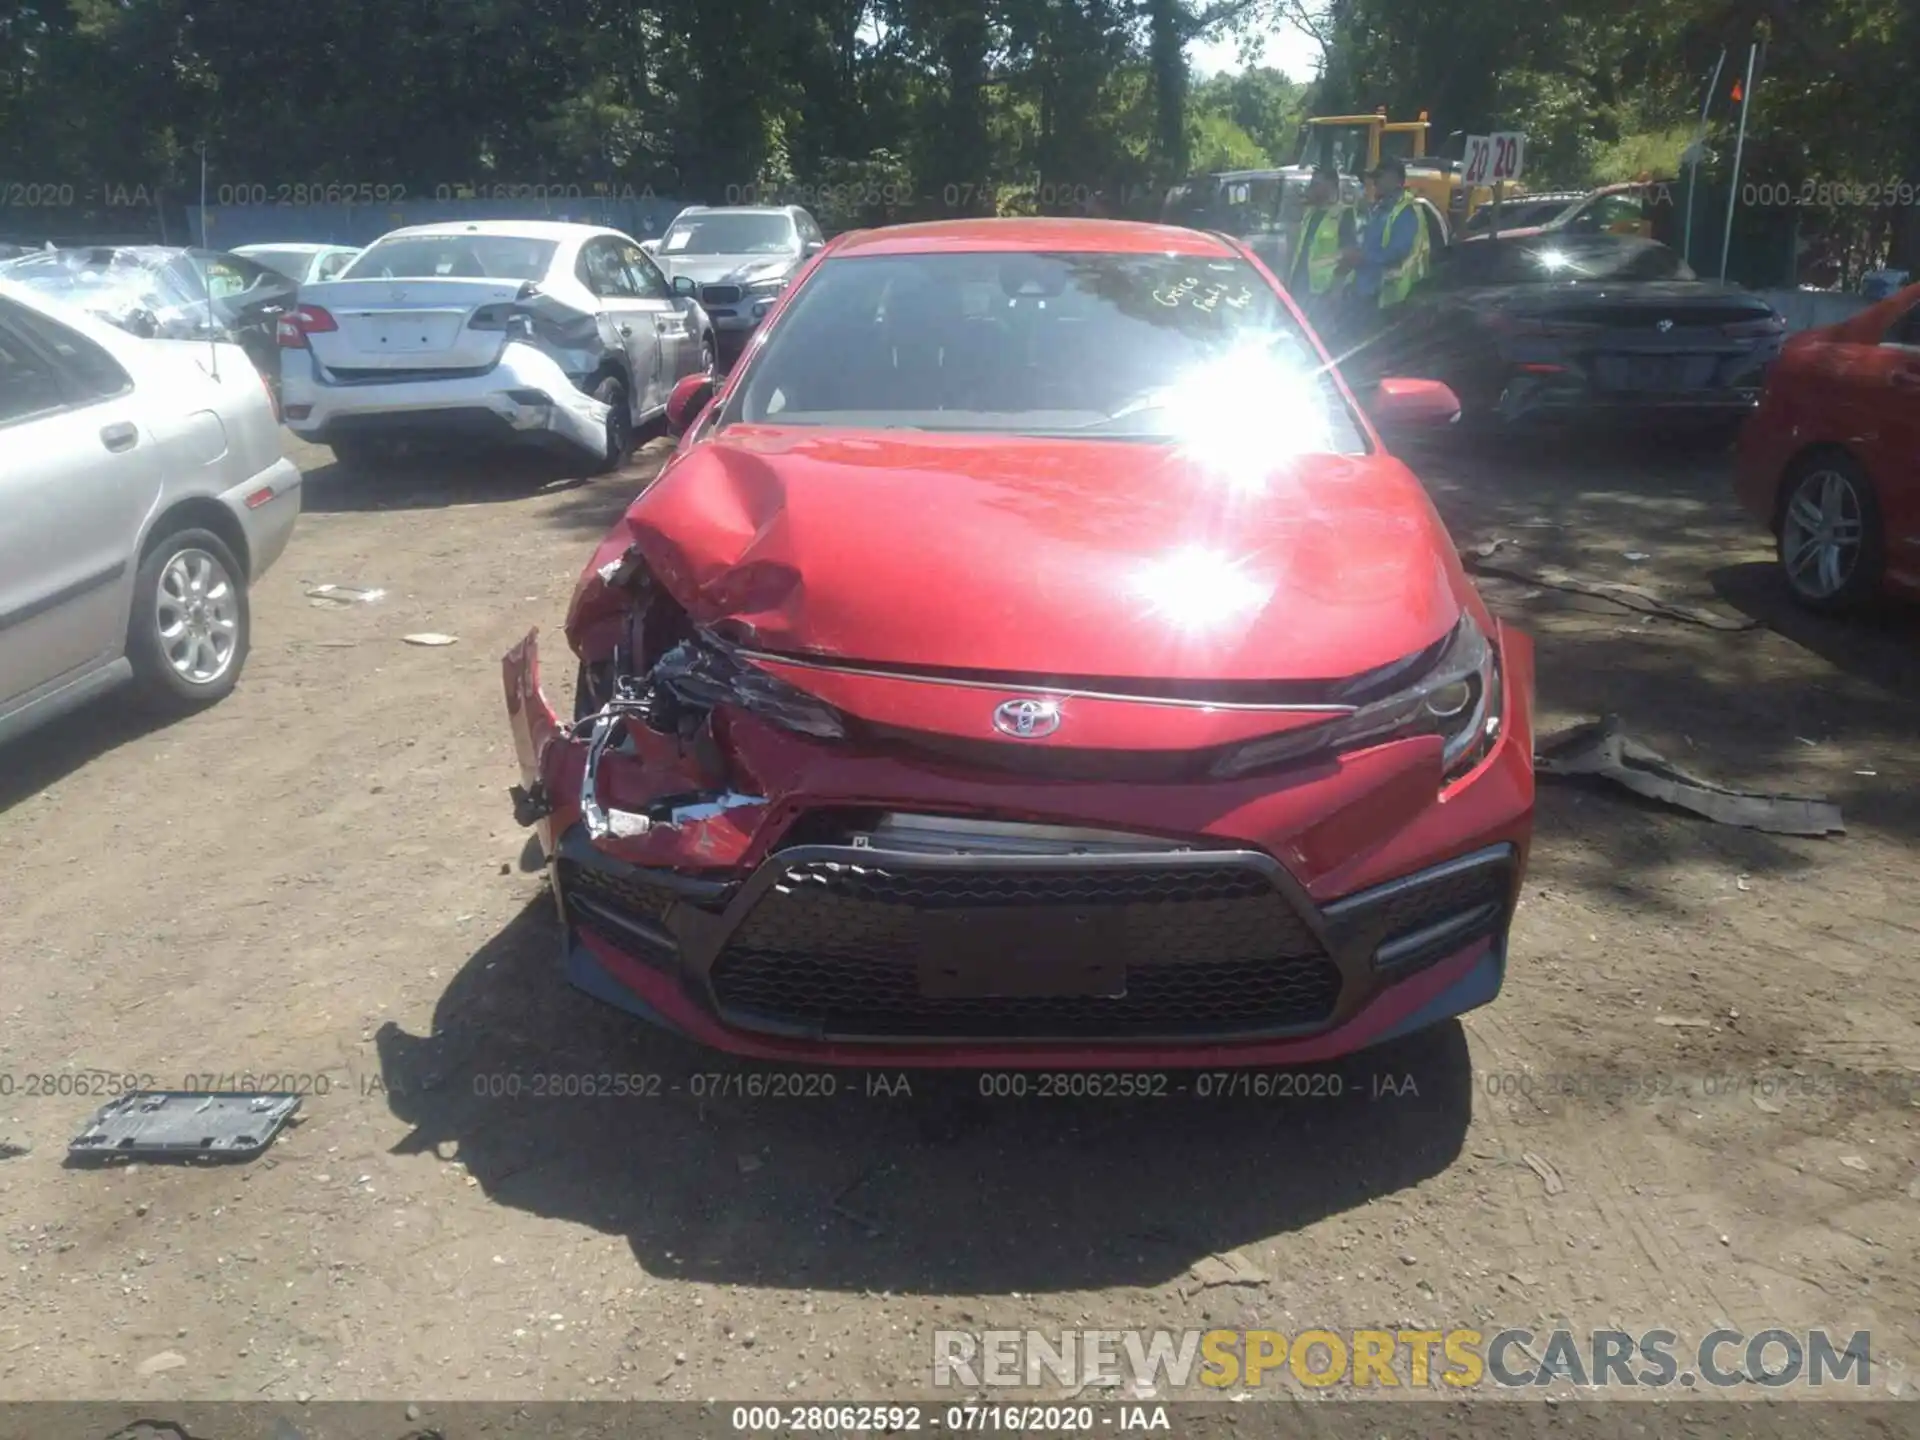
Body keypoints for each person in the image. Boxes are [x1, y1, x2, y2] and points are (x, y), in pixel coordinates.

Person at [1340, 157, 1431, 336]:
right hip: (1369, 293)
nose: (1375, 182)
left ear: (1396, 180)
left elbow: (1398, 252)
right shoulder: (1380, 208)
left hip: (1392, 299)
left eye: (1379, 177)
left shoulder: (1407, 210)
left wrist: (1362, 257)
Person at [1285, 167, 1357, 328]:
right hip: (1299, 287)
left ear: (1330, 186)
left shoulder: (1343, 215)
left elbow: (1350, 254)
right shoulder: (1310, 213)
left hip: (1323, 293)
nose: (1311, 187)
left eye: (1316, 184)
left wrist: (1336, 289)